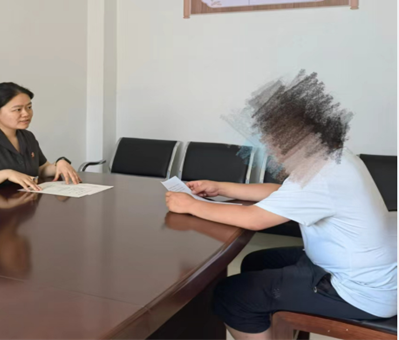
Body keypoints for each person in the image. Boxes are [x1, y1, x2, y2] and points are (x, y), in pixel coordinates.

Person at [165, 73, 397, 340]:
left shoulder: (322, 173)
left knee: (232, 296)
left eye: (272, 142)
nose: (270, 150)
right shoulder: (332, 156)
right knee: (255, 262)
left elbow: (254, 219)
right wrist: (221, 188)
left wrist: (191, 205)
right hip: (356, 269)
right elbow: (283, 193)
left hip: (359, 291)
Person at [0, 82, 81, 192]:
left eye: (29, 107)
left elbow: (41, 169)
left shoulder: (28, 136)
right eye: (18, 109)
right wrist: (5, 174)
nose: (26, 114)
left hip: (26, 204)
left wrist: (59, 164)